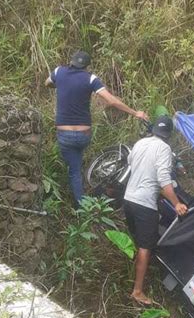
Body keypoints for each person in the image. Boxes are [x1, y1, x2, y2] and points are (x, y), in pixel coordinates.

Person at [45, 51, 147, 208]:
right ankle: (96, 190)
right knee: (79, 161)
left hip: (65, 135)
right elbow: (112, 101)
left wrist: (58, 84)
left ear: (70, 61)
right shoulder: (90, 79)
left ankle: (82, 207)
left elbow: (48, 83)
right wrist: (135, 113)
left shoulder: (59, 71)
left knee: (74, 171)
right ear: (86, 66)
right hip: (83, 135)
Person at [123, 115, 188, 305]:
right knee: (146, 246)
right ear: (168, 134)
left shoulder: (141, 142)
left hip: (129, 199)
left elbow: (130, 162)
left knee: (138, 240)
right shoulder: (165, 149)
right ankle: (137, 291)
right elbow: (164, 180)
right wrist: (176, 203)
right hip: (145, 204)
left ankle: (135, 269)